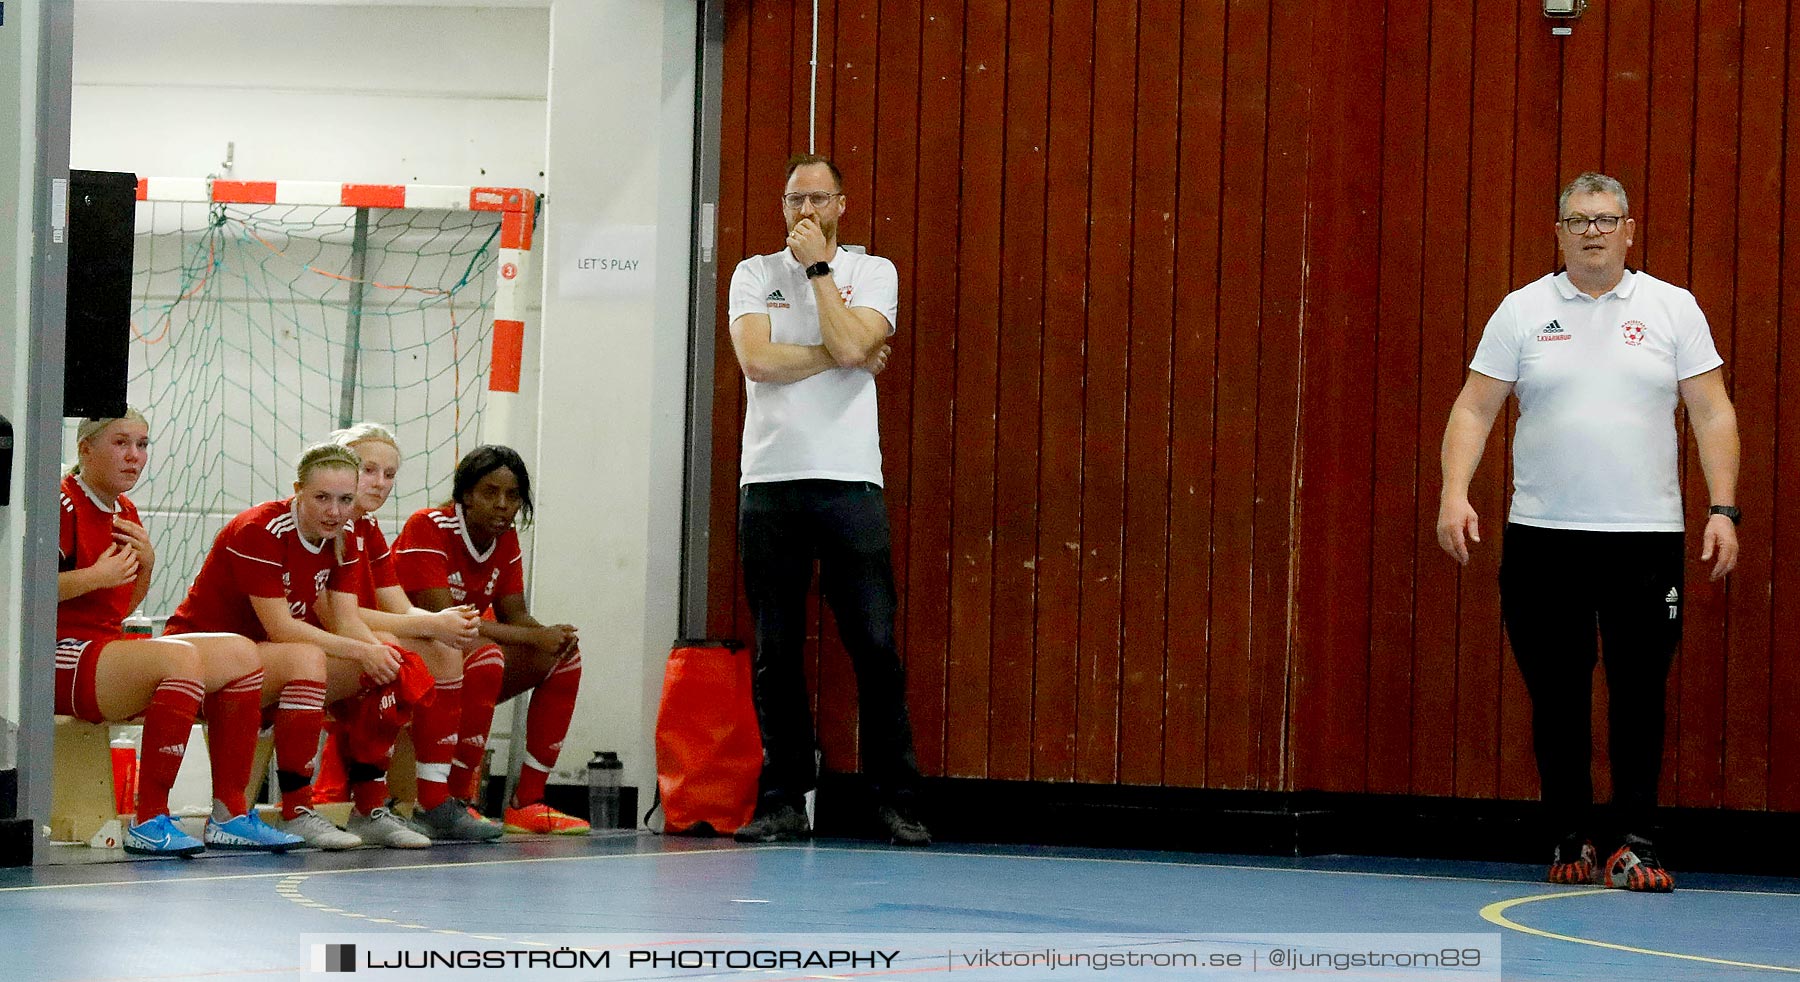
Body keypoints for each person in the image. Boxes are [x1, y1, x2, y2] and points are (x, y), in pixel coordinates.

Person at [1436, 172, 1740, 893]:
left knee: (1640, 692)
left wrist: (1723, 508)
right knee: (1557, 693)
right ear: (1560, 231)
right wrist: (1455, 493)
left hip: (1645, 538)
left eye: (1607, 219)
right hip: (1544, 537)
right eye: (1579, 220)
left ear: (1630, 229)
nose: (1594, 232)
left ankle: (1633, 841)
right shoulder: (1522, 311)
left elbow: (1712, 411)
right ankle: (1568, 833)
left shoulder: (1673, 308)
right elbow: (1474, 410)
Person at [724, 153, 926, 846]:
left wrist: (818, 275)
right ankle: (782, 797)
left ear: (841, 204)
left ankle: (892, 799)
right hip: (771, 482)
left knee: (873, 643)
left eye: (817, 198)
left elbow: (848, 338)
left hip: (848, 480)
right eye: (792, 199)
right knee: (776, 649)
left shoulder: (874, 272)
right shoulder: (753, 274)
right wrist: (842, 354)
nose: (803, 211)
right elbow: (757, 361)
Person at [56, 411, 301, 856]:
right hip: (55, 653)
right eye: (121, 443)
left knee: (243, 656)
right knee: (179, 659)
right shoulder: (62, 502)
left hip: (100, 645)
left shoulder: (123, 511)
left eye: (143, 445)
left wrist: (143, 566)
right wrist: (95, 575)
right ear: (85, 448)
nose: (135, 456)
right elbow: (21, 593)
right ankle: (149, 818)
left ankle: (230, 813)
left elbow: (118, 607)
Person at [166, 442, 409, 850]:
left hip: (265, 665)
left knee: (386, 654)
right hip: (202, 664)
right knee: (308, 656)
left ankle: (369, 808)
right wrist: (362, 650)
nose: (335, 511)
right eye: (322, 498)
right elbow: (281, 628)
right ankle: (294, 809)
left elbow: (347, 619)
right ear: (297, 490)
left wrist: (384, 654)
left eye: (345, 500)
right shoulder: (260, 530)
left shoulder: (344, 534)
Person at [393, 445, 588, 837]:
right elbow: (448, 621)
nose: (502, 505)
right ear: (465, 494)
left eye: (512, 495)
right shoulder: (428, 525)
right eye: (490, 492)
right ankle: (457, 800)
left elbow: (514, 615)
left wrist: (550, 639)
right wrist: (536, 636)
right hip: (410, 654)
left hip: (457, 653)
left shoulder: (505, 536)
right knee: (486, 656)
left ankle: (527, 803)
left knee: (566, 657)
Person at [315, 422, 484, 848]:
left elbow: (398, 607)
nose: (381, 483)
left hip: (340, 639)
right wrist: (432, 624)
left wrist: (445, 620)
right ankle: (364, 802)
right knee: (394, 655)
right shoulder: (323, 525)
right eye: (369, 470)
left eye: (389, 474)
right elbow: (337, 618)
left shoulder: (366, 529)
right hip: (311, 645)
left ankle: (433, 798)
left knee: (450, 650)